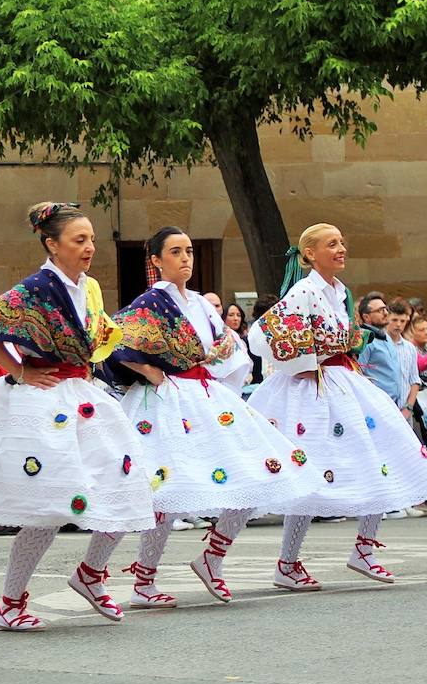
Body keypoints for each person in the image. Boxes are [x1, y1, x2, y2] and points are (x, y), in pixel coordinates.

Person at [0, 202, 155, 631]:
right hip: (46, 402)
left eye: (92, 239)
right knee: (48, 508)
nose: (90, 247)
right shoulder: (36, 288)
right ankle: (10, 603)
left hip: (83, 394)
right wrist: (19, 371)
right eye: (79, 240)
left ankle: (91, 573)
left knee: (125, 486)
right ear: (52, 244)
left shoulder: (88, 288)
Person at [107, 228, 322, 606]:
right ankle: (143, 580)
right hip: (167, 401)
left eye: (189, 251)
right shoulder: (151, 301)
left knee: (253, 473)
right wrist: (152, 372)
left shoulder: (200, 303)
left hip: (205, 396)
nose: (185, 258)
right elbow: (116, 340)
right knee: (165, 491)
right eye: (175, 252)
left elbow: (228, 350)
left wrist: (221, 383)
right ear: (156, 260)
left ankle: (213, 556)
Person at [247, 224, 427, 590]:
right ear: (310, 254)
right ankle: (282, 562)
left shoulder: (339, 292)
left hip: (343, 383)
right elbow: (265, 333)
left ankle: (363, 550)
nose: (341, 248)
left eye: (341, 242)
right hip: (314, 389)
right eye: (332, 244)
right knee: (307, 471)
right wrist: (302, 364)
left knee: (380, 456)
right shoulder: (304, 291)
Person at [356, 292, 404, 407]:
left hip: (394, 404)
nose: (386, 313)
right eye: (380, 310)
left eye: (385, 309)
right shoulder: (364, 340)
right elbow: (358, 374)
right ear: (366, 317)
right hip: (377, 405)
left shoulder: (386, 336)